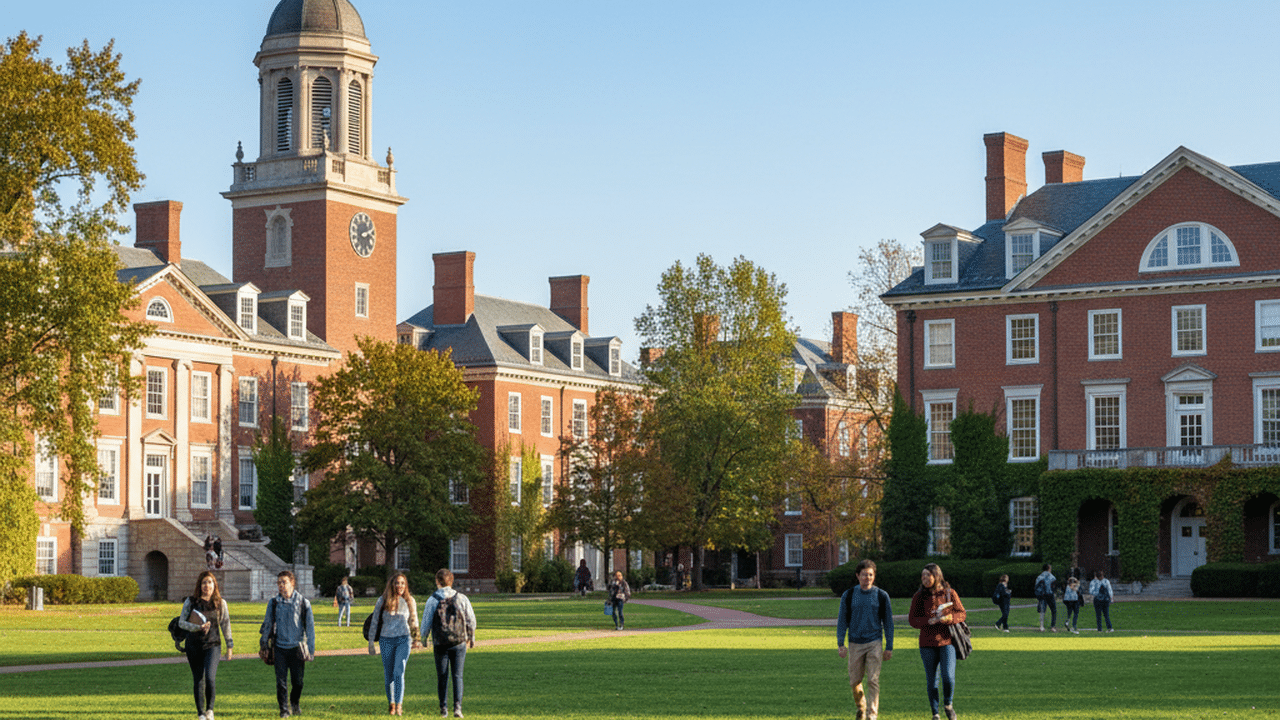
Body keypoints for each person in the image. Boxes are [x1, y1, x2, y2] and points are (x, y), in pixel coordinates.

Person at [836, 560, 894, 720]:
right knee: (855, 681)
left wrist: (889, 646)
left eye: (870, 575)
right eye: (864, 575)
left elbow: (888, 622)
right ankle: (861, 707)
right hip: (855, 643)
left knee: (873, 680)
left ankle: (871, 715)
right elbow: (842, 621)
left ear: (874, 576)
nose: (867, 578)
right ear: (857, 576)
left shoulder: (882, 596)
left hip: (874, 642)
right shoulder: (848, 596)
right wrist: (841, 643)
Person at [908, 563, 966, 720]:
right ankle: (935, 713)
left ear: (937, 575)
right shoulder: (919, 596)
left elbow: (962, 614)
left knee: (948, 677)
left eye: (928, 575)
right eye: (923, 576)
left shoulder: (949, 593)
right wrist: (928, 621)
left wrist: (949, 618)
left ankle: (948, 705)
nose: (925, 578)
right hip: (927, 644)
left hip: (947, 642)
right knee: (932, 681)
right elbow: (912, 620)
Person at [421, 569, 476, 718]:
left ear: (437, 581)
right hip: (459, 641)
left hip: (440, 642)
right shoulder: (462, 598)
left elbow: (426, 621)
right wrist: (472, 637)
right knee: (458, 676)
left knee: (442, 676)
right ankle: (458, 708)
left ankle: (443, 708)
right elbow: (471, 619)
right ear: (451, 581)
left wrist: (424, 638)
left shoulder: (433, 599)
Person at [260, 570, 315, 718]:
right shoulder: (274, 603)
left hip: (297, 648)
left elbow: (310, 628)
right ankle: (284, 710)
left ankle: (295, 702)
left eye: (284, 582)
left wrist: (311, 649)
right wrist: (264, 643)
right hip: (280, 648)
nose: (281, 586)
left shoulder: (303, 603)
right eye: (278, 583)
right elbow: (267, 623)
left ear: (292, 583)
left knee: (298, 682)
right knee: (281, 682)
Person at [180, 571, 233, 720]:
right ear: (199, 585)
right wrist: (198, 627)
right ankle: (200, 714)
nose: (207, 585)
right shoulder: (191, 602)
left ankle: (210, 710)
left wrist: (230, 646)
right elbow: (182, 622)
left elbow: (226, 625)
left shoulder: (220, 603)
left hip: (213, 645)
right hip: (193, 645)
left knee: (210, 677)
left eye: (210, 582)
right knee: (198, 679)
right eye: (204, 582)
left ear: (214, 584)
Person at [368, 572, 421, 716]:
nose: (400, 586)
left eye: (403, 583)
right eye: (397, 583)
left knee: (399, 672)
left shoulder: (410, 601)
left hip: (404, 640)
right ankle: (391, 703)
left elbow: (414, 620)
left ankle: (399, 705)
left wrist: (416, 639)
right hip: (386, 640)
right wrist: (371, 643)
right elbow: (374, 622)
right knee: (389, 674)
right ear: (392, 584)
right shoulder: (382, 600)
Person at [1034, 563, 1058, 632]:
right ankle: (1053, 627)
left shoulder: (1039, 577)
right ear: (1049, 568)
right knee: (1053, 610)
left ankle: (1041, 626)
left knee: (1042, 611)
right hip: (1050, 595)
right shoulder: (1052, 577)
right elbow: (1054, 587)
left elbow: (1036, 587)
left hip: (1042, 595)